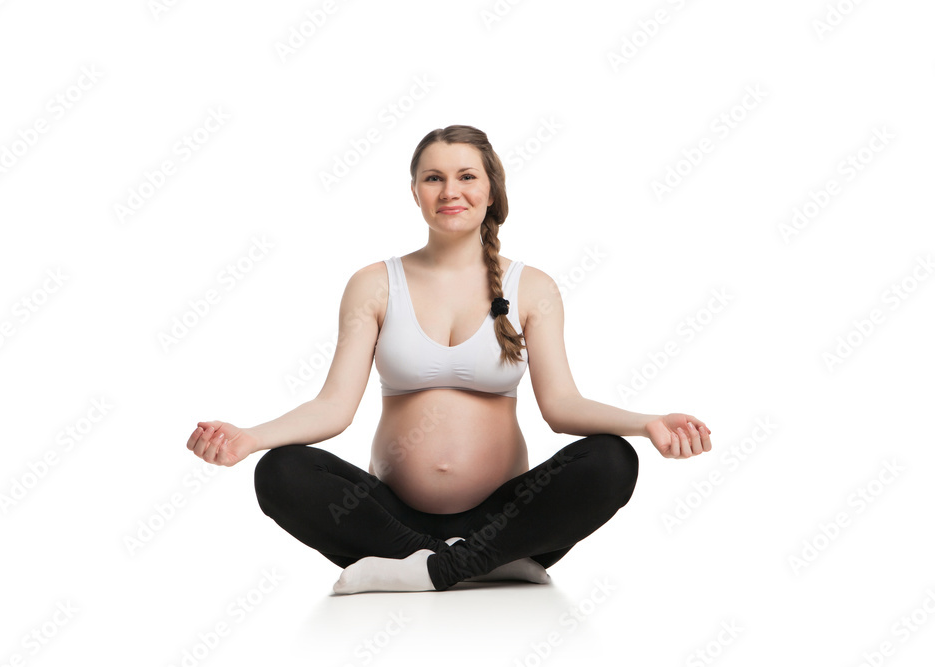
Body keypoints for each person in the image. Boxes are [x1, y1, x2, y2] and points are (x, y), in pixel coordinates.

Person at [185, 124, 713, 595]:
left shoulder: (534, 287)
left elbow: (562, 406)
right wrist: (251, 438)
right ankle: (484, 566)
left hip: (506, 519)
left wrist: (647, 423)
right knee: (280, 470)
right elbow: (333, 408)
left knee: (612, 460)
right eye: (433, 178)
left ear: (490, 190)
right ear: (415, 192)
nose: (450, 191)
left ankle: (429, 571)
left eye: (466, 176)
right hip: (389, 521)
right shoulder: (373, 283)